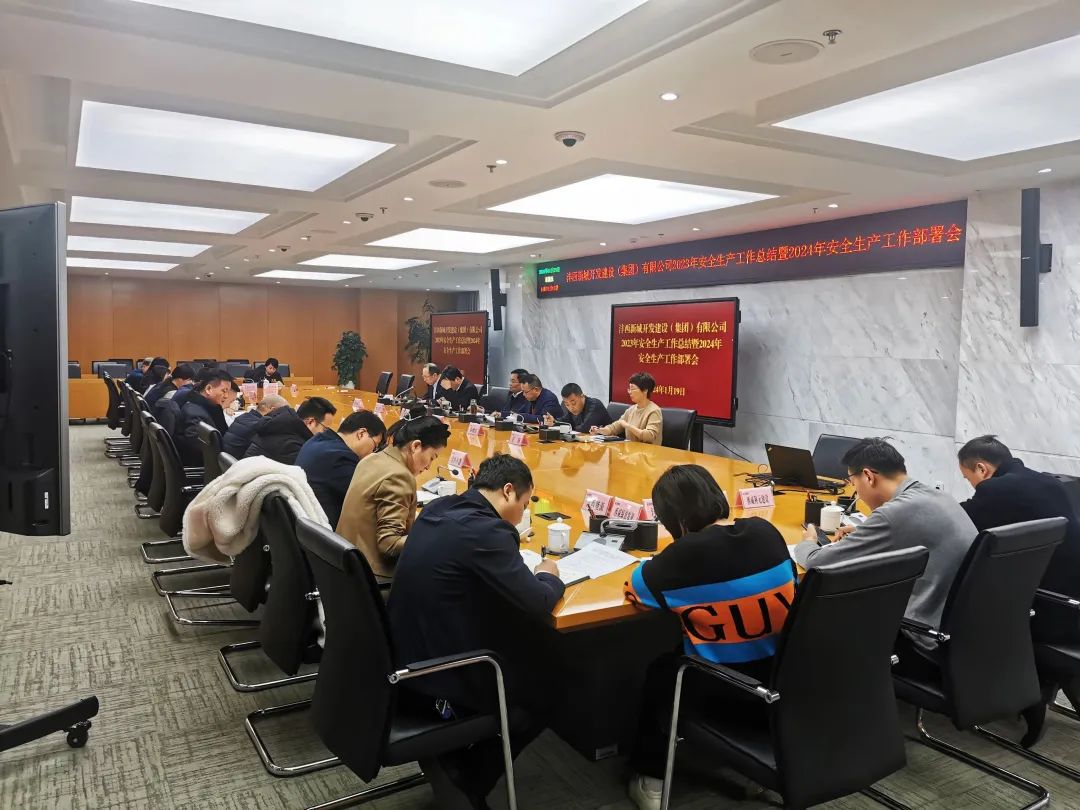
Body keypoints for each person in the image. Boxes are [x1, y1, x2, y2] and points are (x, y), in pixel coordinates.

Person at [388, 454, 564, 809]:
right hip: (437, 675)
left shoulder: (437, 509)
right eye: (525, 504)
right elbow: (538, 601)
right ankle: (469, 777)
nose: (523, 514)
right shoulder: (487, 531)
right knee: (546, 693)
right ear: (508, 491)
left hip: (400, 657)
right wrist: (548, 573)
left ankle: (453, 760)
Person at [624, 465, 795, 808]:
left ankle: (651, 778)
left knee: (661, 671)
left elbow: (635, 590)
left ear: (676, 521)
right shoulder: (766, 532)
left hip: (723, 688)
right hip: (785, 680)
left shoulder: (681, 557)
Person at [793, 438, 976, 673]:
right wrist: (865, 533)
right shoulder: (936, 496)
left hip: (925, 641)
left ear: (868, 476)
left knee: (825, 612)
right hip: (965, 634)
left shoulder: (893, 514)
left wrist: (807, 542)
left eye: (855, 486)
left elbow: (817, 563)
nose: (857, 495)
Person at [957, 435, 1080, 745]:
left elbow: (961, 524)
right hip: (1071, 596)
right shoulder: (1046, 481)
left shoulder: (996, 490)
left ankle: (1024, 693)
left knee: (963, 609)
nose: (972, 486)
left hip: (1051, 609)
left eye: (968, 478)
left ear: (982, 469)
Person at [336, 413, 450, 578]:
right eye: (432, 457)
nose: (429, 467)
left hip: (344, 564)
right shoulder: (399, 476)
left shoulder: (371, 459)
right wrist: (431, 534)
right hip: (372, 577)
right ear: (416, 446)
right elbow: (389, 544)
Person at [296, 410, 387, 526]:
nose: (372, 453)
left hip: (301, 519)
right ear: (361, 434)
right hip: (318, 529)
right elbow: (369, 500)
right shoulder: (342, 458)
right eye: (375, 447)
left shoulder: (318, 440)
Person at [243, 396, 337, 465]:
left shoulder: (283, 424)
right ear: (310, 422)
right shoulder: (291, 445)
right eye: (325, 429)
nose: (326, 434)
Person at [176, 370, 234, 466]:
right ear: (208, 389)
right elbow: (198, 449)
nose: (226, 396)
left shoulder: (198, 406)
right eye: (224, 391)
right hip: (205, 468)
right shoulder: (195, 413)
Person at [593, 371, 663, 445]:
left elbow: (649, 436)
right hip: (631, 449)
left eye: (633, 389)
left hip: (649, 451)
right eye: (629, 389)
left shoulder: (654, 410)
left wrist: (627, 426)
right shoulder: (631, 410)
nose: (629, 392)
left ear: (645, 390)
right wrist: (599, 430)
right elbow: (614, 428)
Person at [222, 394, 289, 458]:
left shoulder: (244, 417)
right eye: (284, 412)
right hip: (239, 463)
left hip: (227, 460)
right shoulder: (260, 426)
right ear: (273, 410)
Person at [544, 382, 611, 432]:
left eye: (574, 403)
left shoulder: (595, 405)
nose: (571, 408)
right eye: (567, 404)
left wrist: (566, 427)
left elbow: (584, 428)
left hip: (609, 443)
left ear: (582, 396)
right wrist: (553, 422)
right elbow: (566, 421)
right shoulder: (572, 409)